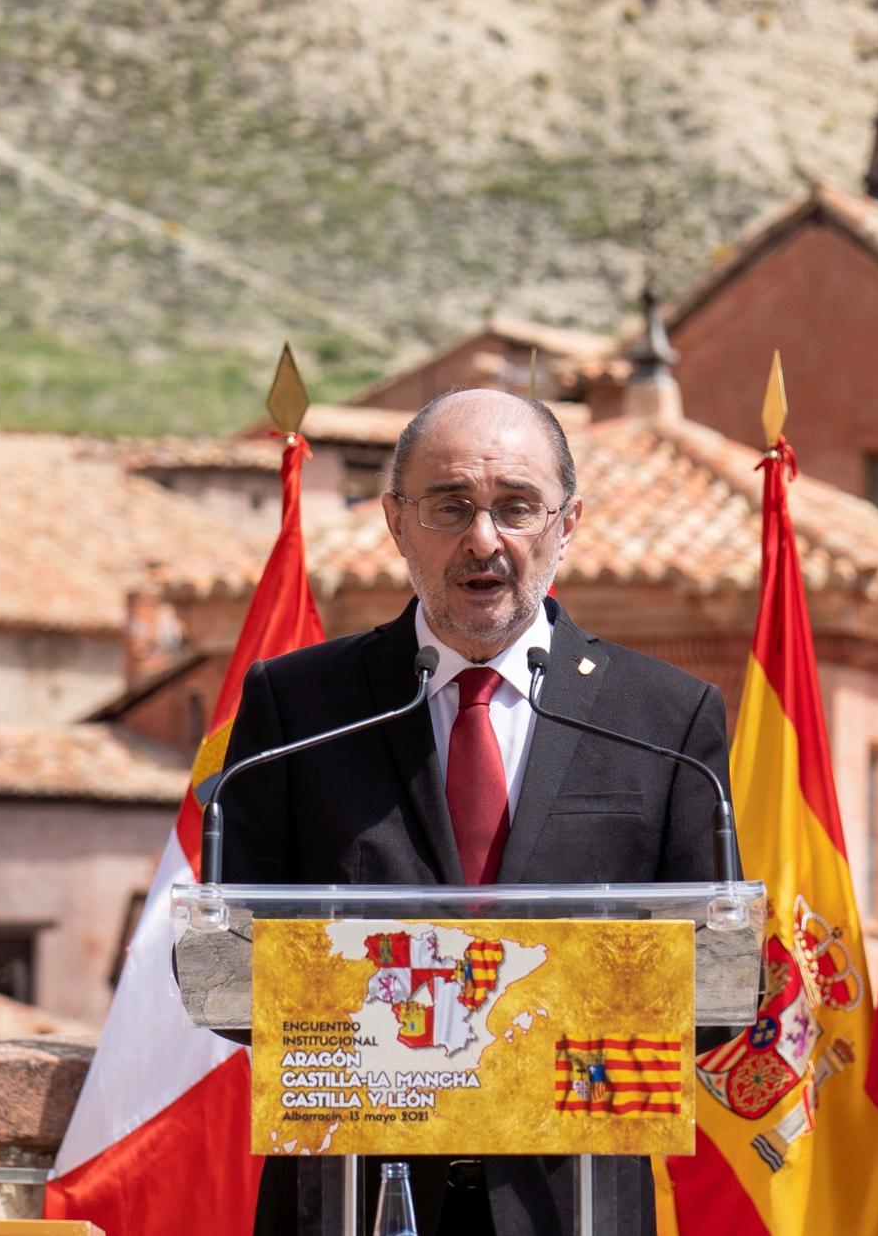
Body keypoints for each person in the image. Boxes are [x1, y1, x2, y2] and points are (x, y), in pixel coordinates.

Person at [221, 388, 732, 1236]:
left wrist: (499, 1052)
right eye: (450, 505)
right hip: (352, 1193)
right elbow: (228, 962)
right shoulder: (300, 710)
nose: (483, 539)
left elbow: (714, 986)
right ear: (395, 523)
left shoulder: (664, 721)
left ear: (566, 525)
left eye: (516, 507)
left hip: (573, 1200)